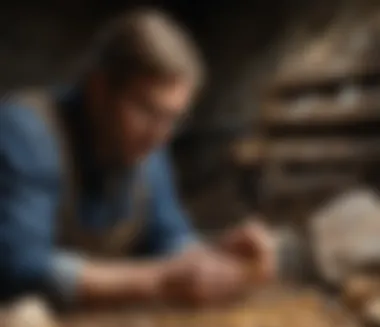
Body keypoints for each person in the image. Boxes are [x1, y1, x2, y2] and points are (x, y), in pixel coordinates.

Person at [0, 9, 275, 309]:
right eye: (146, 110)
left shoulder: (146, 148)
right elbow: (20, 268)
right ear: (99, 89)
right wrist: (158, 280)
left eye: (173, 118)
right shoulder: (26, 134)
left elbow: (169, 239)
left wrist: (215, 255)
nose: (160, 134)